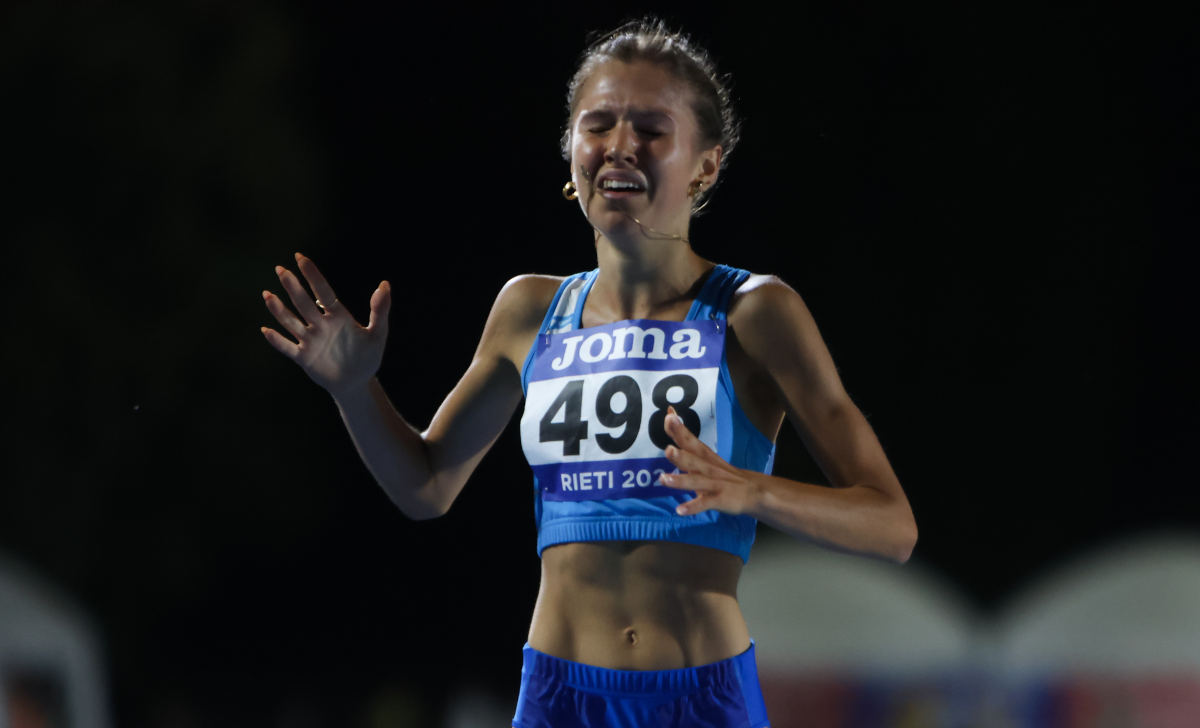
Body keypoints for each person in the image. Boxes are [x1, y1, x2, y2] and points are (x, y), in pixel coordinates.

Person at [261, 18, 916, 728]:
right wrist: (355, 389)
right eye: (598, 123)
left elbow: (892, 525)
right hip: (558, 698)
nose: (620, 146)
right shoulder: (529, 308)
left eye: (652, 128)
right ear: (571, 152)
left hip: (700, 700)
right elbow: (426, 485)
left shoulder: (755, 312)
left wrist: (749, 490)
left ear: (706, 165)